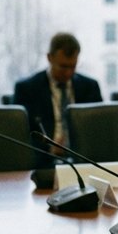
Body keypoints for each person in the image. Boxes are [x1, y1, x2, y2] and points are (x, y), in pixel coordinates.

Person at [13, 33, 102, 165]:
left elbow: (98, 129)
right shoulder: (27, 89)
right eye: (63, 66)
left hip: (84, 159)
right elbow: (21, 135)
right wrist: (48, 148)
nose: (68, 73)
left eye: (73, 66)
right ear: (49, 58)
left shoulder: (90, 87)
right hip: (44, 162)